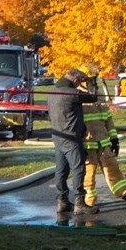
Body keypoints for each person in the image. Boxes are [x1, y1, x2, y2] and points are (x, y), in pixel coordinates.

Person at [80, 68, 126, 206]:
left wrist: (114, 138)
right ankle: (88, 200)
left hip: (103, 142)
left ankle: (124, 191)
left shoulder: (100, 96)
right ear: (82, 80)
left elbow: (108, 118)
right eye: (89, 80)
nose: (92, 83)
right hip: (88, 143)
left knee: (112, 167)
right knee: (88, 174)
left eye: (93, 79)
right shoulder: (77, 97)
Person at [48, 68, 97, 215]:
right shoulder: (73, 94)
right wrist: (91, 83)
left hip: (57, 136)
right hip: (71, 137)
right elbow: (93, 97)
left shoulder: (52, 92)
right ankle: (79, 203)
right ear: (76, 80)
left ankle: (62, 202)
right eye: (80, 81)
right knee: (79, 168)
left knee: (61, 170)